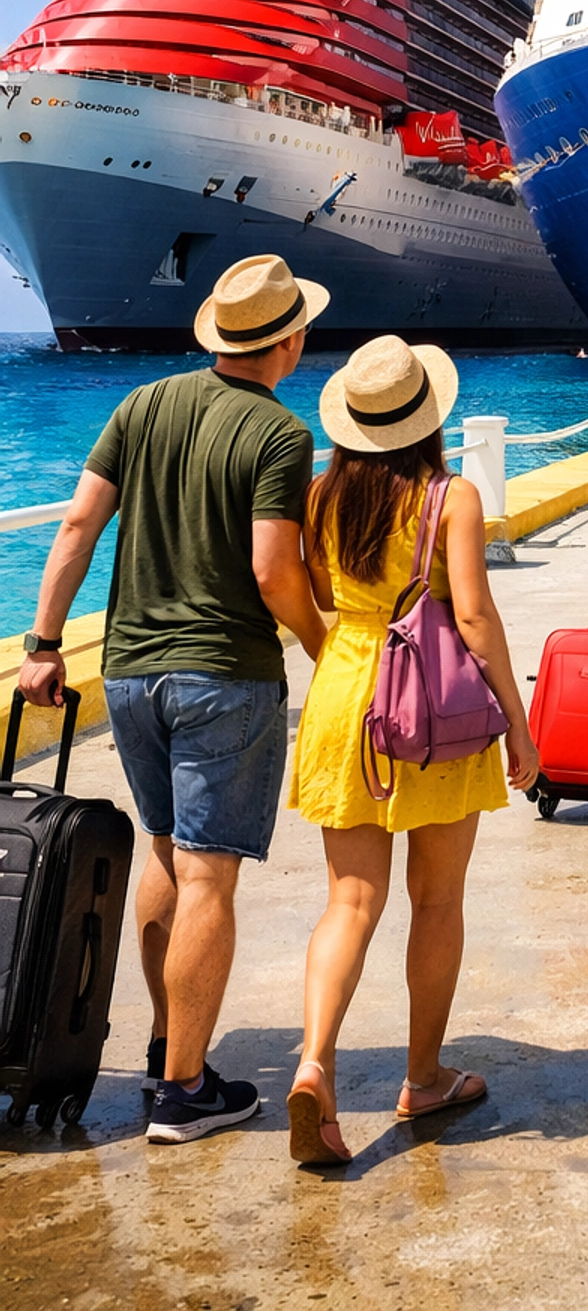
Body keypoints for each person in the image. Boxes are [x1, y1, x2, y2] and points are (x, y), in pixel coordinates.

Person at [17, 254, 330, 1144]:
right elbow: (274, 571)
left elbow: (78, 524)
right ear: (291, 340)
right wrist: (323, 645)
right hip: (221, 675)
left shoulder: (142, 405)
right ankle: (185, 1091)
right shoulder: (278, 434)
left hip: (127, 672)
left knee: (165, 852)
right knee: (208, 873)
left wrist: (44, 645)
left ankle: (166, 1046)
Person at [283, 336, 539, 1165]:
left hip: (345, 693)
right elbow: (471, 616)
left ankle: (315, 1062)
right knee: (436, 900)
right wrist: (520, 724)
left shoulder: (321, 496)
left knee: (349, 901)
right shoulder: (450, 495)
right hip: (431, 707)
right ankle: (422, 1077)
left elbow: (319, 595)